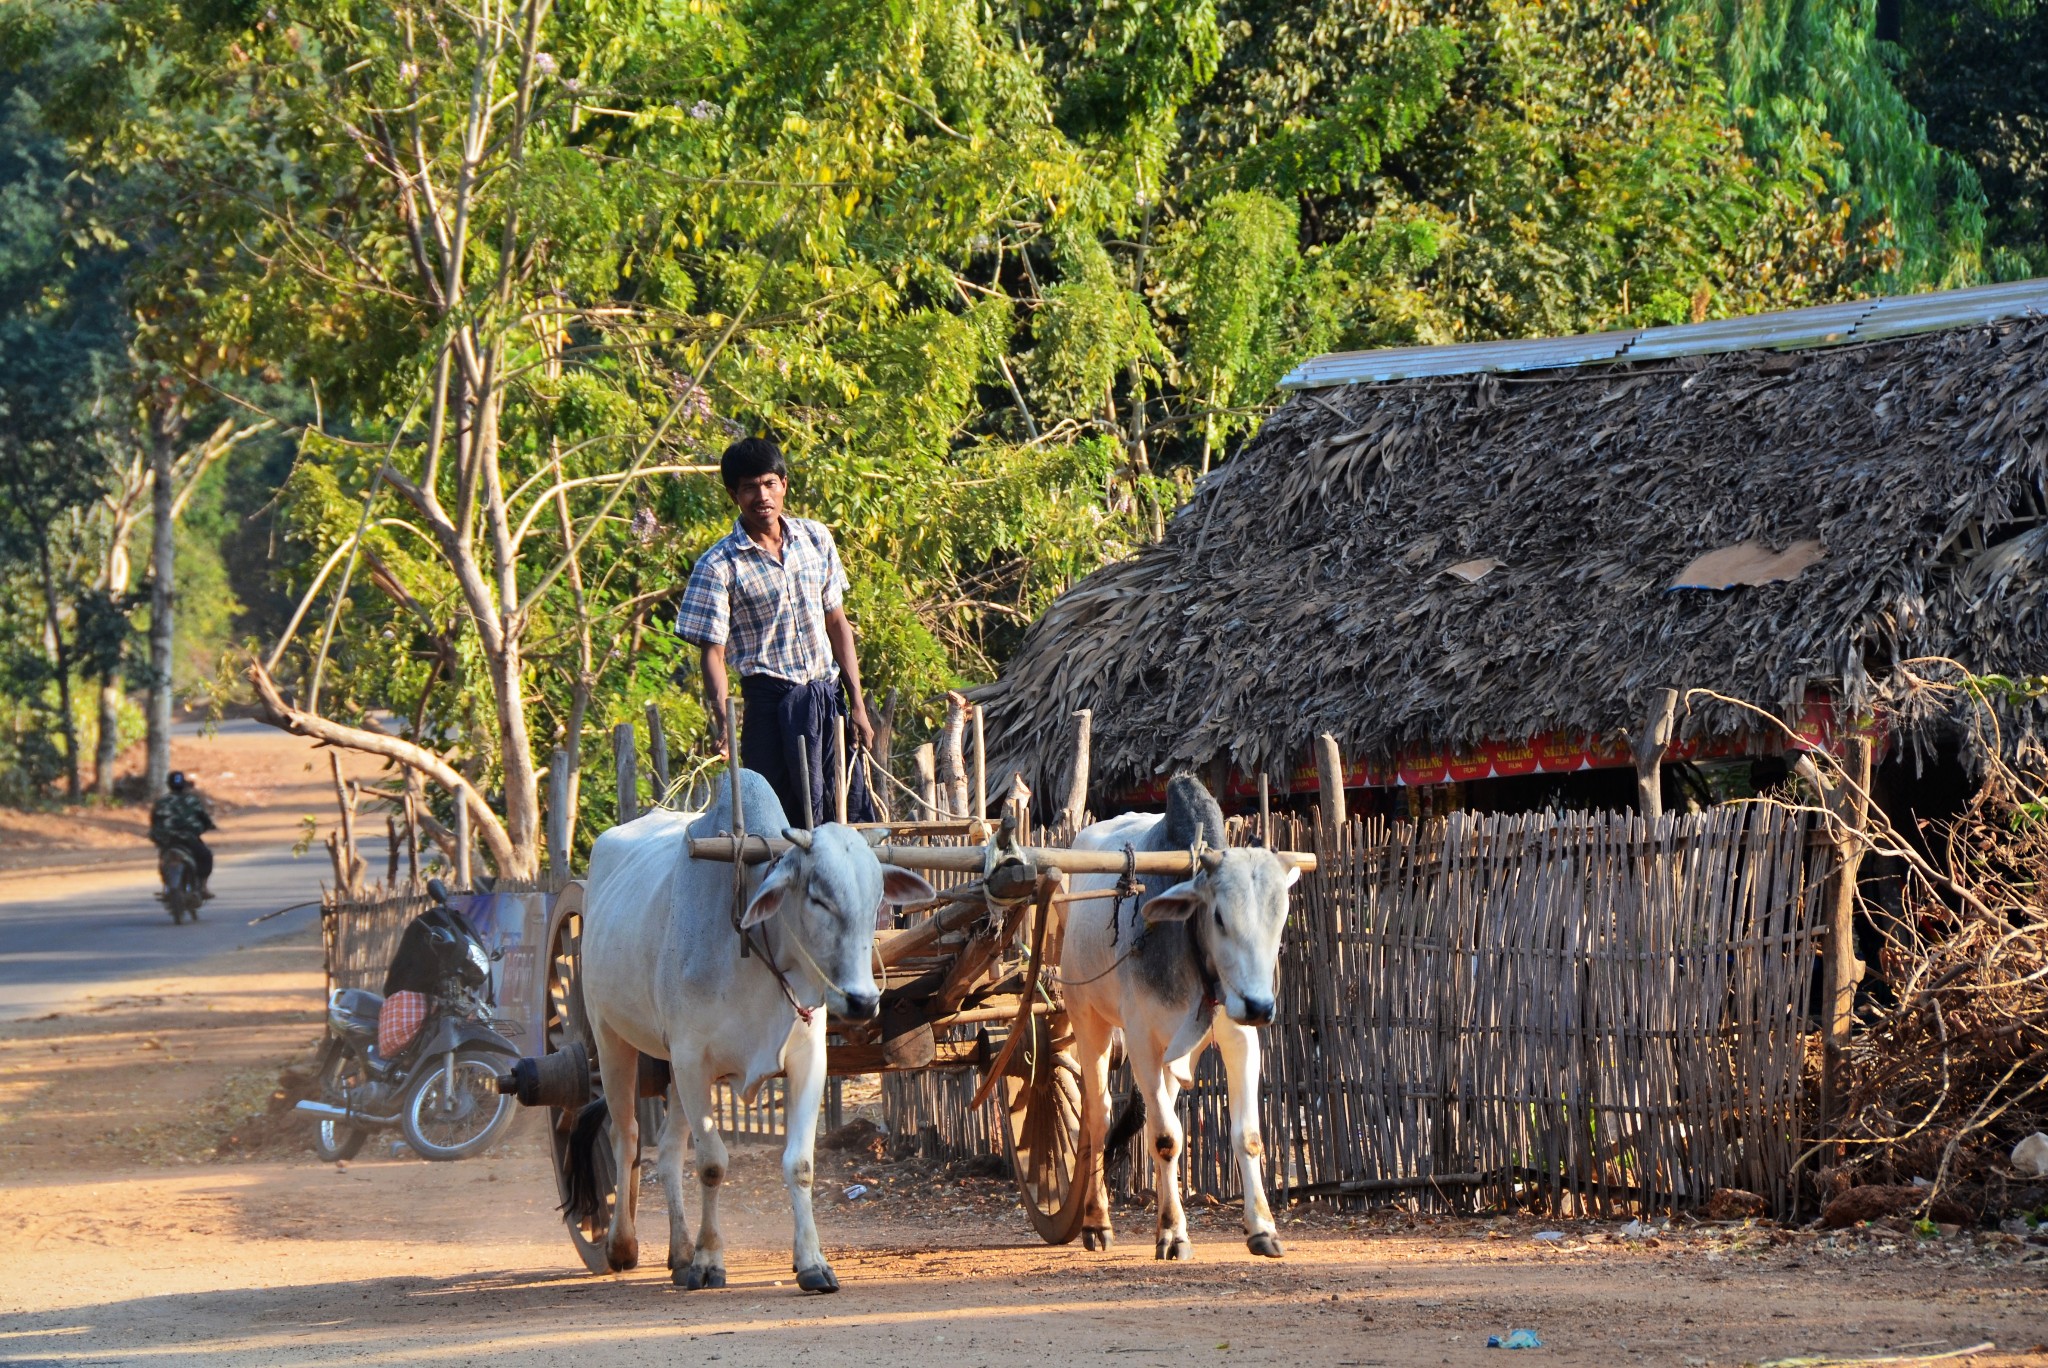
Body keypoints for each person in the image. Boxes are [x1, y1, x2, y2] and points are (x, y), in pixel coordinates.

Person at [676, 435, 877, 826]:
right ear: (733, 494)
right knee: (773, 830)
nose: (761, 496)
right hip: (770, 709)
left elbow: (837, 623)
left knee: (846, 819)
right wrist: (722, 720)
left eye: (769, 483)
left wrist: (857, 704)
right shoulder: (717, 566)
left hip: (826, 703)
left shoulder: (816, 538)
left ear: (784, 484)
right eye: (749, 488)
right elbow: (712, 655)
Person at [149, 771, 215, 897]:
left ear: (168, 785)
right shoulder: (191, 800)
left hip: (166, 840)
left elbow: (154, 821)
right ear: (184, 785)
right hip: (188, 839)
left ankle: (166, 886)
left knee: (163, 858)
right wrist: (208, 826)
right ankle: (202, 887)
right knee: (206, 856)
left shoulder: (161, 802)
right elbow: (204, 818)